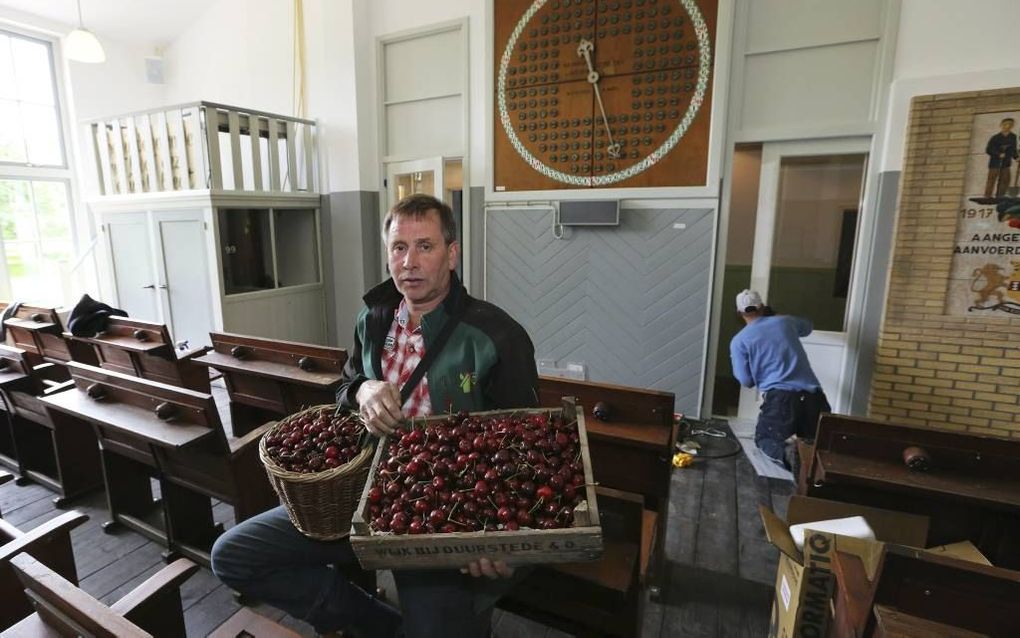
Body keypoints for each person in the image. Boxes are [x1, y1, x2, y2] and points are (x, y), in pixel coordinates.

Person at [210, 193, 539, 638]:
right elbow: (345, 387)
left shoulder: (497, 336)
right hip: (358, 495)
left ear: (453, 253)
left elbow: (524, 448)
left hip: (440, 514)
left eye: (426, 246)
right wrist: (363, 387)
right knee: (233, 555)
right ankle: (376, 624)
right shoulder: (374, 318)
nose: (410, 262)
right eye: (399, 248)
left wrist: (495, 533)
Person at [729, 290, 830, 472]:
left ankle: (789, 454)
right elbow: (808, 327)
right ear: (762, 306)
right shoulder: (786, 322)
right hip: (814, 397)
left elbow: (746, 380)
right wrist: (777, 317)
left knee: (766, 439)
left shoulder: (740, 341)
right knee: (817, 447)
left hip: (781, 400)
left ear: (739, 313)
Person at [984, 117, 1018, 199]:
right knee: (992, 180)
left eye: (1010, 124)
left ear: (1012, 126)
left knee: (1005, 180)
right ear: (1001, 125)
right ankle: (987, 196)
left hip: (1006, 163)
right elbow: (988, 149)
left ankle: (1000, 196)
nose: (1008, 126)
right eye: (1005, 124)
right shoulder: (995, 137)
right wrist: (998, 154)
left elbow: (1013, 149)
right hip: (995, 163)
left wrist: (1016, 157)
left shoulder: (1013, 137)